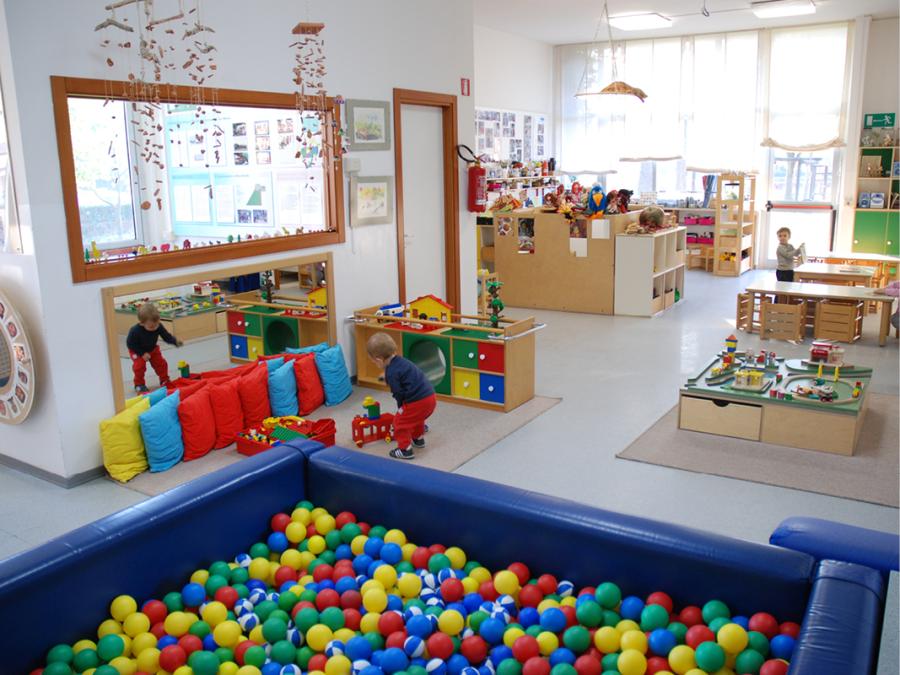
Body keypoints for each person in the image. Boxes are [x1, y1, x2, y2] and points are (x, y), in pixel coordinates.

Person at [366, 332, 436, 460]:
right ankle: (418, 438)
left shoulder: (392, 373)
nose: (376, 365)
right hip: (430, 397)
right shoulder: (402, 361)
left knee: (400, 422)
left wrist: (401, 409)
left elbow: (398, 393)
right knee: (416, 418)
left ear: (379, 360)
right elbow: (402, 376)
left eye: (374, 362)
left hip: (417, 401)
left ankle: (405, 450)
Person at [126, 303, 182, 393]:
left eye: (156, 324)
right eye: (151, 326)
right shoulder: (135, 331)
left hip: (152, 349)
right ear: (142, 323)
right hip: (137, 350)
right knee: (139, 367)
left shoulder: (158, 326)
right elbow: (130, 344)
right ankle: (139, 384)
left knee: (161, 364)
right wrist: (142, 353)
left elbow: (166, 336)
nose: (155, 328)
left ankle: (164, 379)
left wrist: (175, 341)